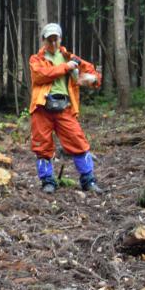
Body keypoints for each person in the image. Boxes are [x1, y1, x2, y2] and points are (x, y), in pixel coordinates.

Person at [30, 22, 103, 194]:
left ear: (61, 39)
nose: (53, 43)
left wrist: (92, 79)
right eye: (49, 40)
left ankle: (88, 181)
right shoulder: (36, 59)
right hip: (42, 108)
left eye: (56, 39)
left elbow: (92, 73)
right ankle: (47, 181)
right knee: (42, 146)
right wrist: (65, 68)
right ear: (43, 40)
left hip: (65, 108)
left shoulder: (70, 57)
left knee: (78, 142)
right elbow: (40, 75)